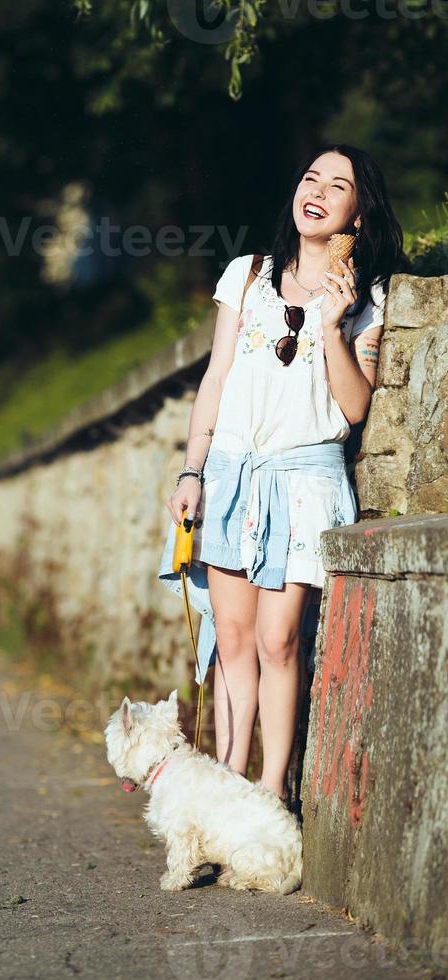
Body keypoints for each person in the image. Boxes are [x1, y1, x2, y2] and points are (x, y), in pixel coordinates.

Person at [157, 143, 408, 805]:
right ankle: (227, 783)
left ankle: (269, 793)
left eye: (338, 185)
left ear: (359, 213)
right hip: (232, 473)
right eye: (309, 177)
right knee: (232, 635)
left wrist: (331, 324)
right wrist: (191, 473)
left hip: (304, 481)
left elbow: (353, 408)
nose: (316, 190)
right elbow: (214, 379)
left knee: (276, 638)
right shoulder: (246, 275)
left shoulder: (367, 298)